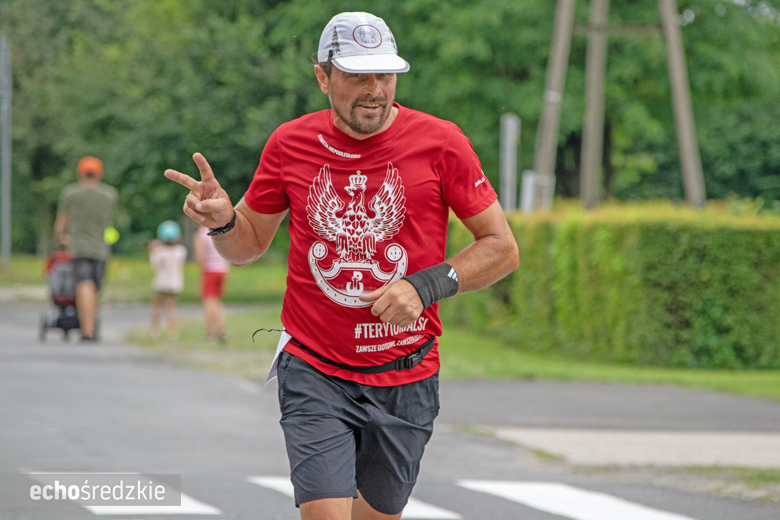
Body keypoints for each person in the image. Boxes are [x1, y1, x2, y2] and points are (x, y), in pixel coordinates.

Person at [164, 11, 519, 520]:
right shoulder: (290, 144)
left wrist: (425, 286)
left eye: (385, 74)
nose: (374, 89)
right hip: (316, 369)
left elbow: (502, 246)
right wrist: (223, 224)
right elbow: (248, 246)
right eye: (357, 75)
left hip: (406, 375)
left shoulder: (441, 142)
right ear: (323, 77)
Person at [54, 156, 117, 342]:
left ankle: (87, 330)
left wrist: (60, 237)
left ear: (80, 172)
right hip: (101, 248)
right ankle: (92, 325)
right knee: (95, 287)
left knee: (84, 284)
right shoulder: (109, 194)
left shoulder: (71, 193)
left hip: (79, 247)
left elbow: (62, 223)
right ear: (99, 173)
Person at [148, 220, 187, 340]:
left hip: (161, 283)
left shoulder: (160, 251)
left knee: (157, 307)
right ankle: (172, 332)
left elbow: (154, 265)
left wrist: (152, 250)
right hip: (175, 283)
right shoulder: (181, 251)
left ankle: (154, 330)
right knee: (171, 308)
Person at [194, 224, 230, 342]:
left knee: (209, 301)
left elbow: (200, 257)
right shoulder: (221, 231)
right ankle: (222, 330)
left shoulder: (202, 234)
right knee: (217, 301)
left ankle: (211, 333)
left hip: (209, 270)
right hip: (223, 270)